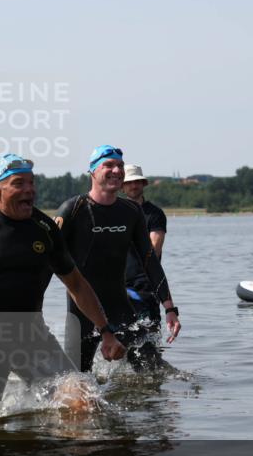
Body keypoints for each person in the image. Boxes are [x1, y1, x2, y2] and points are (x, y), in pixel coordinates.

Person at [0, 154, 126, 413]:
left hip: (33, 334)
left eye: (32, 182)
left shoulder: (44, 228)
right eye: (19, 183)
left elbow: (77, 284)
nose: (29, 189)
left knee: (84, 400)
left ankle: (67, 440)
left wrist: (106, 332)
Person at [55, 146, 180, 372]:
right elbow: (47, 263)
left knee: (153, 372)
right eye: (108, 165)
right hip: (81, 313)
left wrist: (170, 308)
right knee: (76, 381)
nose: (116, 170)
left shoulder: (131, 211)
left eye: (120, 165)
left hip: (120, 309)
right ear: (93, 171)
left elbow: (150, 261)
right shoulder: (73, 209)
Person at [121, 164, 168, 331]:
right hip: (119, 285)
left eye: (137, 182)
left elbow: (154, 250)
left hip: (147, 286)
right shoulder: (115, 213)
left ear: (143, 184)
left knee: (150, 336)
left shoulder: (155, 214)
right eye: (129, 182)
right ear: (122, 186)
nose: (133, 186)